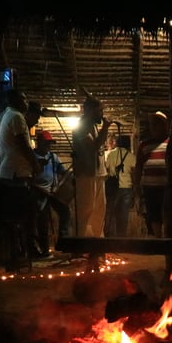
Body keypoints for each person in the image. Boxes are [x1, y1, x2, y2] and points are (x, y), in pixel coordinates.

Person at [0, 90, 43, 257]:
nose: (26, 101)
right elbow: (23, 145)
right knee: (26, 213)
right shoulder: (16, 117)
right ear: (15, 100)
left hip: (9, 172)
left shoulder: (5, 115)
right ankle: (26, 249)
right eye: (24, 98)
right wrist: (35, 164)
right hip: (16, 173)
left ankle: (20, 250)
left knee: (19, 214)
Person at [134, 110, 172, 237]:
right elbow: (139, 166)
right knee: (153, 214)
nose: (154, 126)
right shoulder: (144, 145)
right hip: (149, 186)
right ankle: (158, 239)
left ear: (165, 125)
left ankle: (168, 240)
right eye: (153, 124)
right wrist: (136, 185)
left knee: (169, 213)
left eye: (158, 123)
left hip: (168, 187)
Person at [71, 94, 113, 237]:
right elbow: (93, 147)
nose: (102, 115)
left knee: (100, 210)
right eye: (99, 111)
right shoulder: (82, 127)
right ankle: (81, 244)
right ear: (90, 111)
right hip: (86, 174)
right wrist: (105, 128)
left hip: (98, 174)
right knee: (85, 210)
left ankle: (97, 244)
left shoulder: (93, 126)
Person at [32, 129, 73, 255]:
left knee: (65, 212)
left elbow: (63, 172)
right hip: (38, 192)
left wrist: (72, 178)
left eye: (49, 143)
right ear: (39, 142)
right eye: (46, 143)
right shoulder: (32, 157)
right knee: (42, 221)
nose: (48, 146)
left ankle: (63, 242)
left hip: (53, 192)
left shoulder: (53, 157)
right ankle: (44, 250)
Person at [103, 134, 136, 237]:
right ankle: (121, 238)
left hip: (113, 188)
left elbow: (107, 169)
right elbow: (134, 174)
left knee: (111, 213)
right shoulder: (131, 156)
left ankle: (110, 238)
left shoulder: (110, 154)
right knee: (123, 214)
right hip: (127, 188)